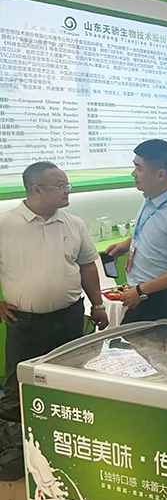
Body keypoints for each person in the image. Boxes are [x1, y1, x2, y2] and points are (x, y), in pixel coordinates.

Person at [0, 162, 110, 422]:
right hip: (25, 323)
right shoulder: (5, 224)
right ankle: (18, 442)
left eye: (67, 184)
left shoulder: (74, 223)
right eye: (60, 186)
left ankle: (66, 431)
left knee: (70, 380)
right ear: (36, 189)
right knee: (20, 389)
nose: (67, 190)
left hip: (70, 318)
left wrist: (98, 305)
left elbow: (87, 266)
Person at [104, 140, 167, 323]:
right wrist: (126, 245)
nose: (133, 173)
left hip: (165, 300)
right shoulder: (151, 198)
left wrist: (141, 290)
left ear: (160, 175)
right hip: (145, 294)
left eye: (139, 168)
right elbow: (153, 231)